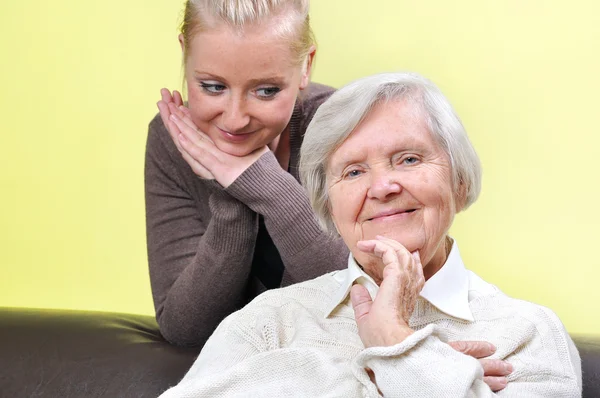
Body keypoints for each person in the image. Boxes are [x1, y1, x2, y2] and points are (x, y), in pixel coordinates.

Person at [157, 72, 582, 397]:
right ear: (328, 205)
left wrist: (395, 340)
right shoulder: (270, 320)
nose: (382, 187)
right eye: (354, 171)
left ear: (460, 183)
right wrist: (393, 373)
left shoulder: (527, 332)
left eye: (409, 159)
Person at [144, 0, 350, 347]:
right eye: (213, 87)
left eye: (266, 91)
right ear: (185, 53)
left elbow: (357, 296)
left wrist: (263, 183)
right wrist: (230, 195)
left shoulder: (342, 128)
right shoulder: (173, 141)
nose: (235, 119)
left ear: (305, 66)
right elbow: (185, 330)